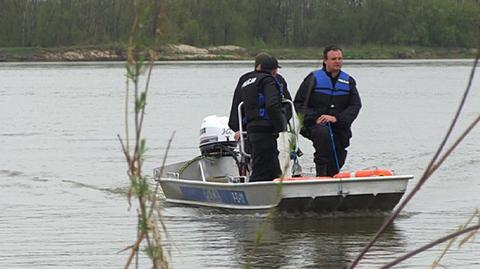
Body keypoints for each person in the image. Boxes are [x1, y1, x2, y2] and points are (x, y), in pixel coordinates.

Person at [294, 45, 361, 176]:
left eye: (340, 58)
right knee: (323, 136)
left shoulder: (348, 81)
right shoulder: (313, 78)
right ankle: (321, 175)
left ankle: (332, 176)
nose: (337, 61)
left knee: (338, 155)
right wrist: (314, 118)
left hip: (339, 125)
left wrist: (337, 119)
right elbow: (299, 104)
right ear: (325, 61)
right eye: (333, 59)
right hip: (315, 124)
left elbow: (355, 105)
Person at [228, 53, 291, 181]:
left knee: (271, 164)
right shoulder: (267, 80)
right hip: (259, 128)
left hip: (260, 128)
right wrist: (238, 128)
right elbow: (239, 106)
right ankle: (255, 187)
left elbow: (286, 104)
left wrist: (282, 122)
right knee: (259, 164)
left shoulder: (249, 82)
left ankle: (276, 187)